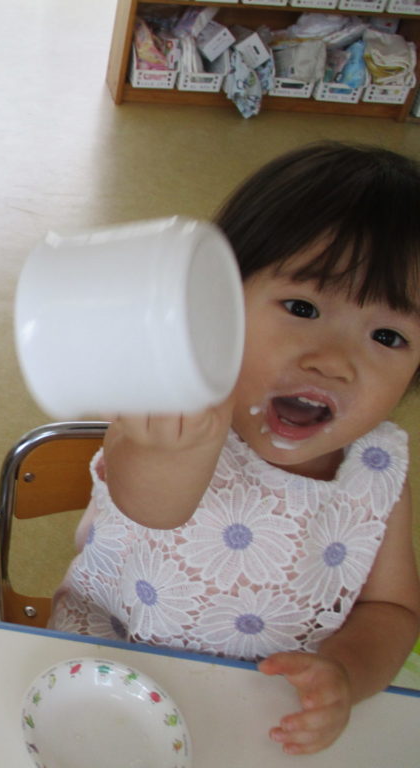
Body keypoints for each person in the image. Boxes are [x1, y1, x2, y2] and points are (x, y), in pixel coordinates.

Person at [49, 142, 420, 755]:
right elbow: (149, 505)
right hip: (110, 669)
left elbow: (393, 610)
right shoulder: (180, 412)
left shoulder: (378, 471)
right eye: (302, 306)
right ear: (216, 304)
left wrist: (346, 673)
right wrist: (169, 445)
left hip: (266, 705)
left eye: (388, 336)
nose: (334, 361)